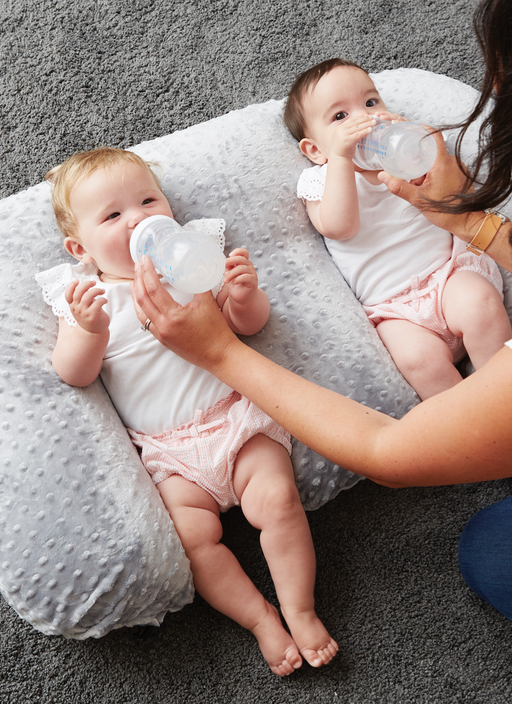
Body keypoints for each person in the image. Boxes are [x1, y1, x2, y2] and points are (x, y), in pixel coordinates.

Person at [130, 0, 512, 692]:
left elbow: (391, 453)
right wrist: (475, 224)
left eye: (510, 93)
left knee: (498, 546)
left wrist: (220, 354)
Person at [35, 147, 338, 676]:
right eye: (113, 215)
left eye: (148, 200)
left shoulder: (192, 263)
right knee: (194, 542)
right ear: (79, 248)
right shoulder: (88, 298)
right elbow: (73, 373)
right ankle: (261, 620)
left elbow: (249, 327)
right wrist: (89, 333)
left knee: (279, 501)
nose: (139, 219)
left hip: (234, 420)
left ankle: (300, 607)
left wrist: (243, 294)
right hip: (171, 454)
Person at [284, 58, 512, 399]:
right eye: (340, 117)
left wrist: (418, 143)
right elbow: (339, 227)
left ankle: (509, 398)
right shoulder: (320, 180)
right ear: (315, 150)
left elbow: (453, 189)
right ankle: (474, 426)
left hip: (448, 274)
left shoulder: (403, 159)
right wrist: (343, 159)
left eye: (371, 102)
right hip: (394, 311)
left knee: (480, 305)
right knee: (419, 361)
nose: (364, 118)